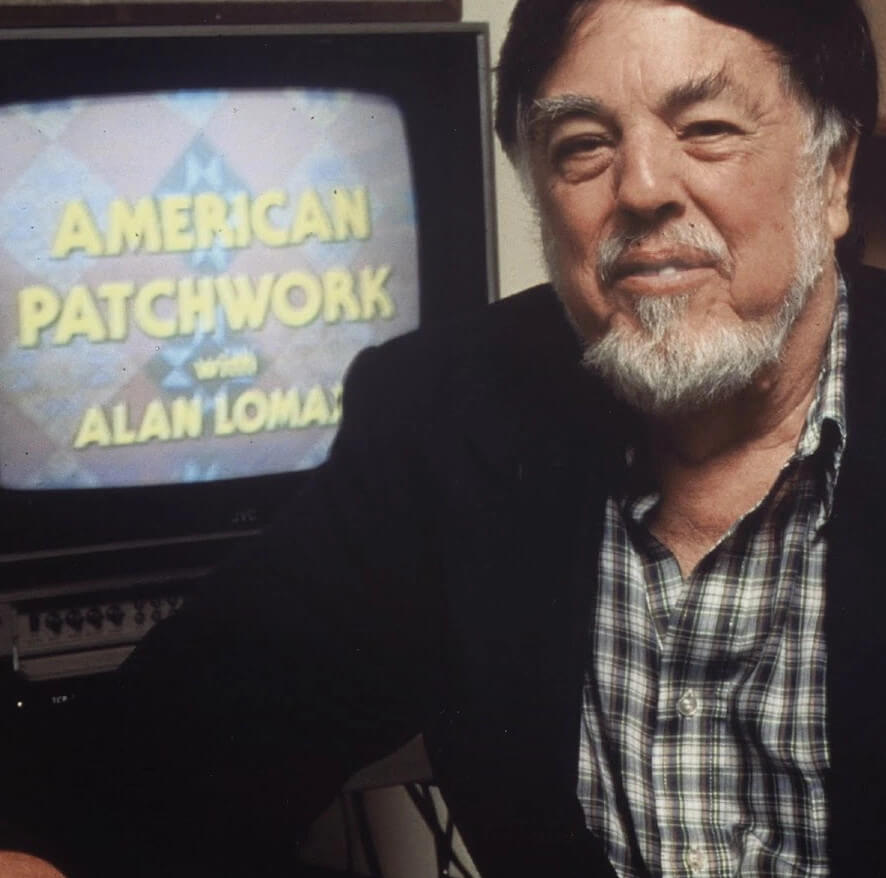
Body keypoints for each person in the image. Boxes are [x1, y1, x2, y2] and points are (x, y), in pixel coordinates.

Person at [2, 0, 884, 875]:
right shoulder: (447, 413)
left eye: (707, 130)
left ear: (833, 174)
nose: (643, 187)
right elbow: (161, 747)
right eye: (582, 145)